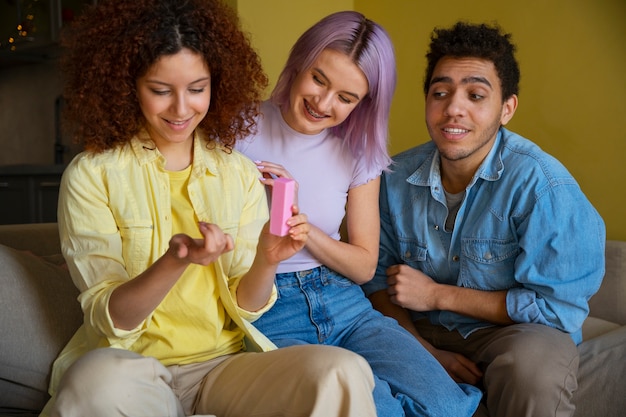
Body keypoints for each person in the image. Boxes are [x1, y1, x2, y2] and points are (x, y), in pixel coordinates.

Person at [40, 1, 379, 416]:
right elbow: (110, 318)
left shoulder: (236, 171)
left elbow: (248, 305)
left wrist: (266, 260)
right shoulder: (92, 174)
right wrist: (175, 260)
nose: (181, 110)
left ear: (217, 83)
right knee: (95, 382)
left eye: (197, 89)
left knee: (342, 371)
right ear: (127, 85)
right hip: (132, 368)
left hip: (225, 368)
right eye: (161, 90)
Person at [236, 11, 482, 417]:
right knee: (374, 409)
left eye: (346, 98)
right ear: (299, 62)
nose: (322, 103)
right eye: (318, 79)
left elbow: (364, 266)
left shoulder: (359, 154)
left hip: (343, 301)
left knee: (445, 406)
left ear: (363, 103)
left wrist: (299, 220)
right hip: (269, 307)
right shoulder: (237, 126)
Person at [361, 21, 606, 417]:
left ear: (507, 108)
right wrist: (424, 354)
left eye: (476, 95)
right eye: (440, 93)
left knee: (534, 371)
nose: (454, 107)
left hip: (511, 333)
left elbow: (557, 307)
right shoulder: (391, 179)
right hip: (415, 330)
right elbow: (373, 280)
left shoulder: (544, 186)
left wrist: (437, 295)